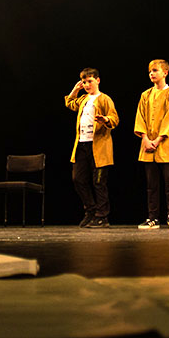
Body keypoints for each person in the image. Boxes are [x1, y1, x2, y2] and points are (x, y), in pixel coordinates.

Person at [65, 67, 119, 229]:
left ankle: (102, 216)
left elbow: (114, 119)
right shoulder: (83, 99)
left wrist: (105, 119)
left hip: (99, 147)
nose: (87, 85)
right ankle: (90, 210)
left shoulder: (104, 99)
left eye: (89, 81)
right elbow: (70, 103)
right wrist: (75, 90)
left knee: (99, 182)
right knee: (78, 179)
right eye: (84, 82)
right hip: (82, 145)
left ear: (98, 80)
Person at [135, 59, 169, 230]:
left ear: (165, 72)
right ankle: (152, 217)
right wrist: (145, 138)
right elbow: (140, 117)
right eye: (149, 71)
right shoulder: (145, 95)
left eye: (155, 70)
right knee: (151, 184)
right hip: (148, 145)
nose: (151, 74)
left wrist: (158, 139)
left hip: (166, 145)